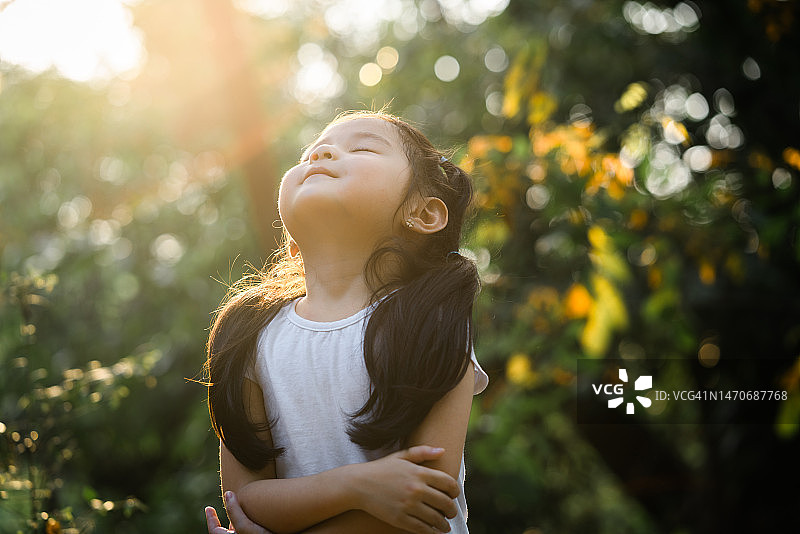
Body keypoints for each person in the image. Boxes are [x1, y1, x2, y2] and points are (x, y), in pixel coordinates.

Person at [203, 110, 489, 533]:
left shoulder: (432, 324)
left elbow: (427, 501)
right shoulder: (247, 336)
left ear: (424, 214)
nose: (321, 154)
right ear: (291, 240)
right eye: (309, 154)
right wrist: (357, 486)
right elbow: (244, 500)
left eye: (363, 148)